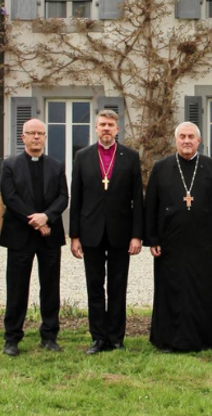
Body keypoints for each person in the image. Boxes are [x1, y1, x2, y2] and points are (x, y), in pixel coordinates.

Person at [144, 122, 212, 352]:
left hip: (204, 244)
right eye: (182, 136)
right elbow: (150, 206)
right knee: (170, 290)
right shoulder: (161, 168)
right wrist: (152, 239)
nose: (186, 140)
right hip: (170, 244)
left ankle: (206, 340)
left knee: (203, 291)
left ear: (199, 141)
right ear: (176, 140)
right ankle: (168, 340)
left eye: (191, 136)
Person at [69, 109, 143, 355]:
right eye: (102, 124)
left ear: (118, 128)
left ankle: (117, 337)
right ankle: (98, 338)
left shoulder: (130, 157)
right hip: (91, 232)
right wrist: (74, 236)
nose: (106, 129)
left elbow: (137, 199)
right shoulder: (83, 156)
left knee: (118, 285)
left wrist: (136, 235)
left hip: (121, 232)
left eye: (111, 125)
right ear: (96, 128)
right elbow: (76, 197)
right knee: (94, 286)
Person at [0, 119, 68, 356]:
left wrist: (47, 217)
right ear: (23, 137)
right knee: (17, 288)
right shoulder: (10, 165)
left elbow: (63, 198)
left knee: (50, 288)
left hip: (49, 236)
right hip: (20, 235)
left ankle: (49, 336)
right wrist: (37, 220)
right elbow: (10, 197)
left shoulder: (57, 166)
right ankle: (12, 338)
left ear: (45, 137)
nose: (36, 137)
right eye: (32, 133)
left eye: (40, 133)